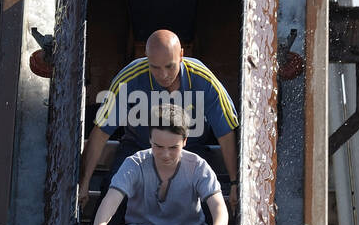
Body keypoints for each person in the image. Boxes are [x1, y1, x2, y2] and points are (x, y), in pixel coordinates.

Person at [78, 28, 239, 211]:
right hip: (138, 148)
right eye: (155, 67)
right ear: (147, 59)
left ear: (181, 56)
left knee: (208, 197)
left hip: (190, 149)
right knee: (113, 189)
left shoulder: (205, 80)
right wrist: (84, 183)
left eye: (169, 66)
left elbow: (226, 132)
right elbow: (100, 133)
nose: (163, 74)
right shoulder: (128, 79)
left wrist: (234, 183)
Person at [88, 104, 229, 225]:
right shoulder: (135, 163)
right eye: (159, 146)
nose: (165, 155)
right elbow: (112, 198)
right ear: (150, 139)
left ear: (185, 141)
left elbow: (217, 204)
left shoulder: (198, 166)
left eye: (173, 147)